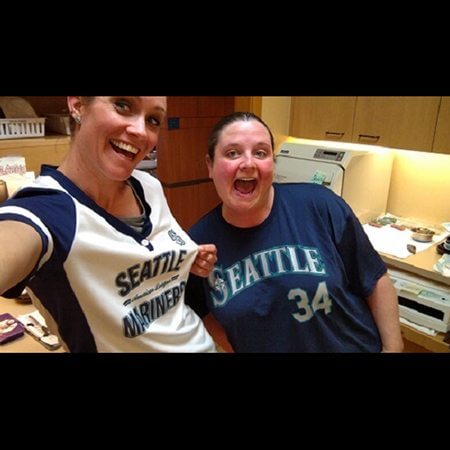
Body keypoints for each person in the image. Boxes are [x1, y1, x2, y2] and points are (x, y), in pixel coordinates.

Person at [0, 96, 218, 353]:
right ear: (78, 104)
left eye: (153, 120)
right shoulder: (45, 212)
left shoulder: (149, 187)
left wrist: (182, 260)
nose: (140, 130)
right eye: (123, 105)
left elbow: (141, 257)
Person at [185, 112, 404, 353]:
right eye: (232, 153)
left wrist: (393, 349)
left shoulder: (320, 206)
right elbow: (198, 308)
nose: (248, 163)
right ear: (210, 165)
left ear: (273, 162)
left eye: (260, 153)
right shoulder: (198, 244)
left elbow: (375, 279)